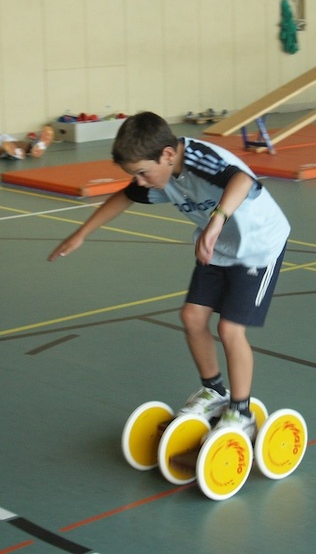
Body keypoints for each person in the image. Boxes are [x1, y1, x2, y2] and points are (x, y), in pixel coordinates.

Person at [48, 112, 290, 438]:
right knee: (191, 316)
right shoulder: (164, 175)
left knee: (230, 328)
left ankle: (242, 413)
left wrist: (217, 219)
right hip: (218, 248)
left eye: (142, 173)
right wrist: (82, 233)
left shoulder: (199, 158)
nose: (140, 181)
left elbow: (243, 180)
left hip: (259, 247)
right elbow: (124, 196)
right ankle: (214, 391)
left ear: (166, 155)